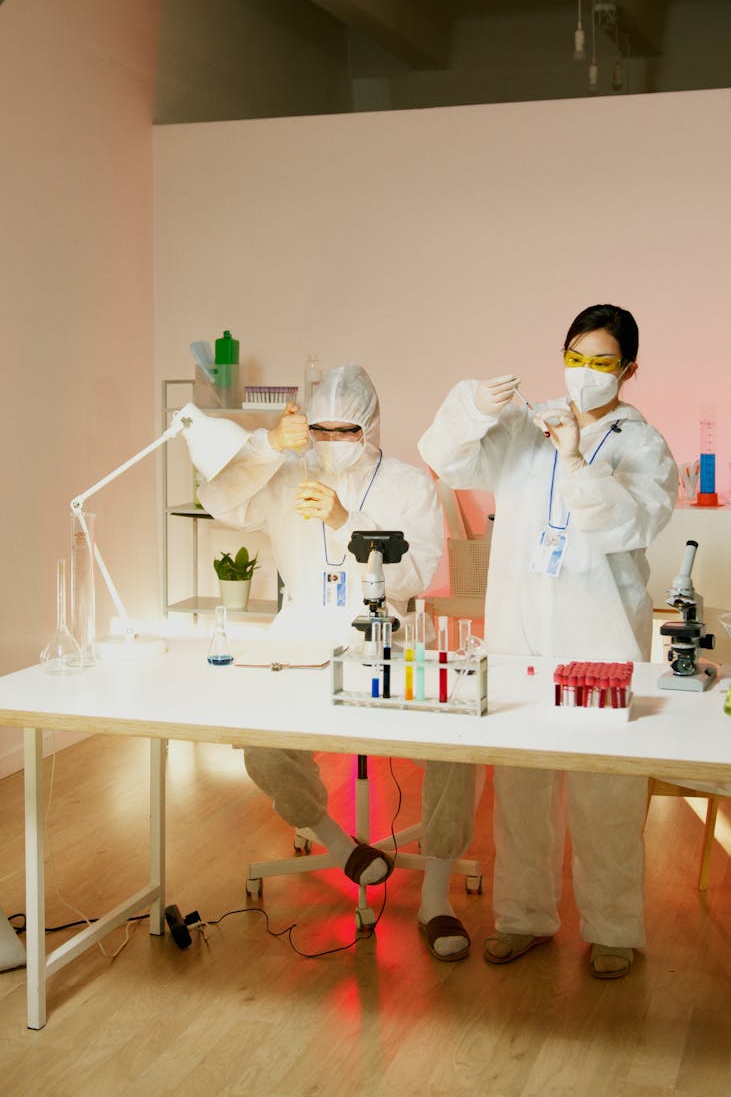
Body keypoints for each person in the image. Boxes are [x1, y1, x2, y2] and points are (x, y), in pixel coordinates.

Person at [418, 304, 678, 979]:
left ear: (628, 370)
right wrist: (471, 406)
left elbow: (630, 524)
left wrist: (575, 461)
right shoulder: (524, 429)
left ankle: (613, 928)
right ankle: (522, 917)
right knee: (520, 784)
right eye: (575, 356)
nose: (584, 373)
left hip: (599, 634)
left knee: (605, 792)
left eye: (600, 362)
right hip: (519, 628)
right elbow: (444, 460)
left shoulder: (641, 445)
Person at [199, 363, 478, 960]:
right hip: (302, 629)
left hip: (389, 632)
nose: (330, 442)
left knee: (455, 733)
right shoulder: (285, 471)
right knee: (261, 739)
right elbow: (218, 499)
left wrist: (342, 519)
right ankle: (338, 841)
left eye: (345, 430)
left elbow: (417, 572)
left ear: (371, 426)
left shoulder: (408, 483)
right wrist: (267, 445)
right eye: (320, 429)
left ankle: (436, 893)